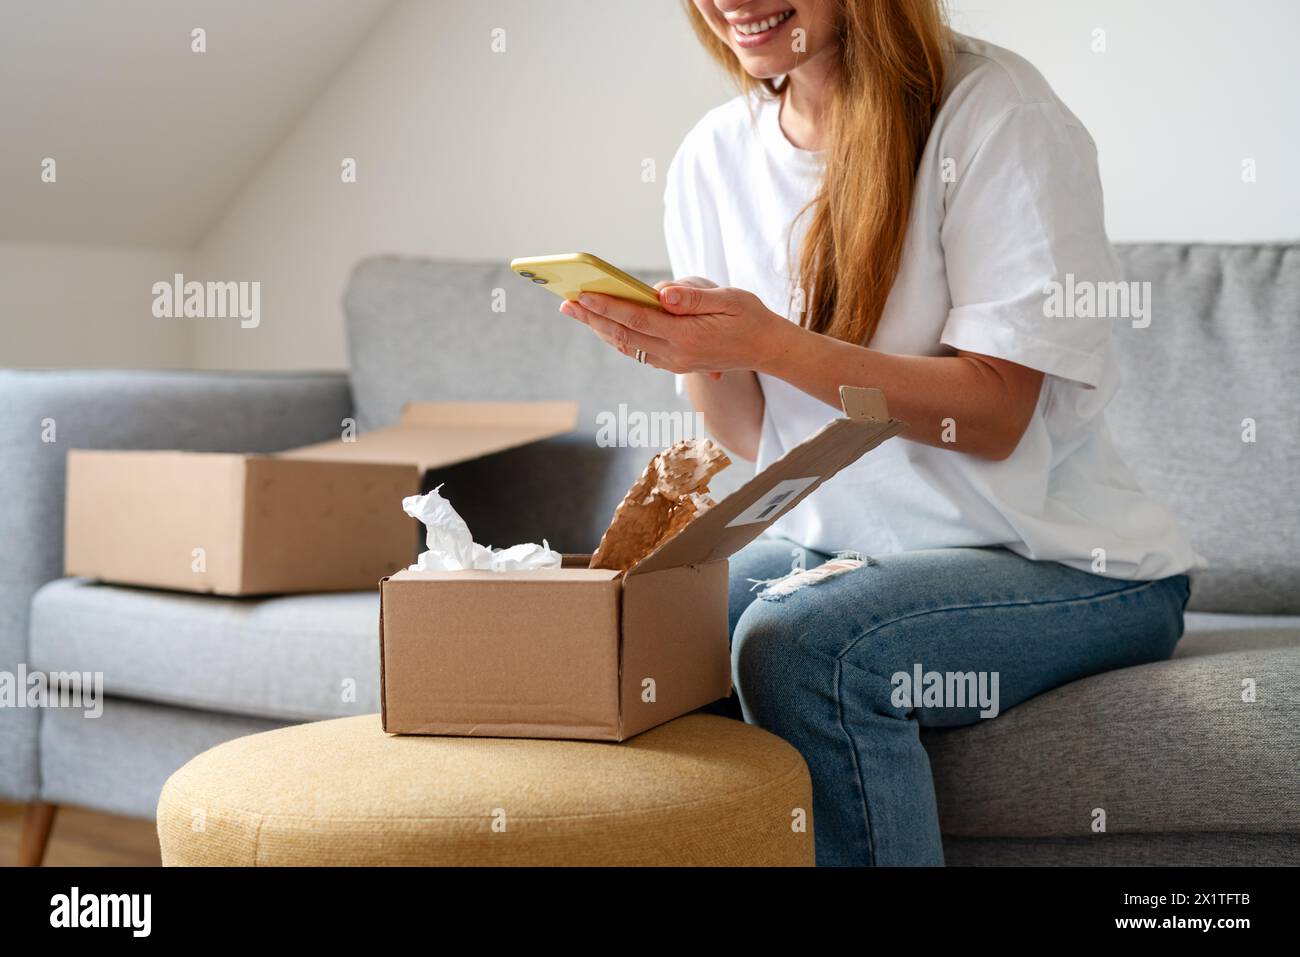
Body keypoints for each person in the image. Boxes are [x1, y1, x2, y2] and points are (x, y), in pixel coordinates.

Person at [559, 0, 1201, 866]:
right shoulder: (712, 155)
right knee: (638, 624)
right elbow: (756, 437)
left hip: (1060, 561)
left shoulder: (995, 112)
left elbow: (991, 413)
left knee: (805, 645)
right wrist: (694, 354)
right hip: (836, 550)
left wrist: (769, 341)